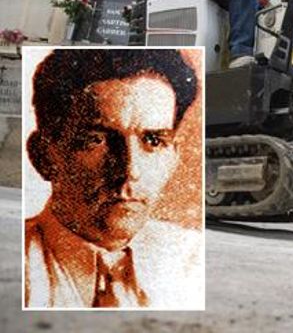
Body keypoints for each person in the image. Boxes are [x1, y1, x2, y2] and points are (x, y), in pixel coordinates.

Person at [24, 49, 204, 308]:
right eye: (95, 140)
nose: (130, 170)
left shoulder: (190, 259)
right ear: (43, 157)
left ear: (173, 157)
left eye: (153, 141)